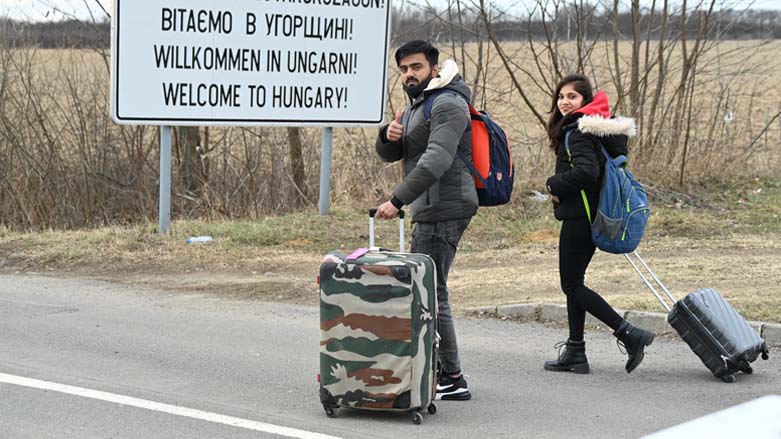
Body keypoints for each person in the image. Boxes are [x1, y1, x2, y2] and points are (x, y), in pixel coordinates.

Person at [374, 40, 477, 400]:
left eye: (416, 67)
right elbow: (400, 153)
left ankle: (452, 377)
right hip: (430, 206)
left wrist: (397, 199)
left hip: (444, 206)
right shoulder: (419, 104)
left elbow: (436, 160)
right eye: (403, 69)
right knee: (431, 291)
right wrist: (389, 135)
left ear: (434, 68)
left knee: (433, 294)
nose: (409, 74)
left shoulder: (448, 102)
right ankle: (443, 371)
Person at [543, 74, 655, 374]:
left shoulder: (578, 131)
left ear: (585, 101)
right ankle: (575, 352)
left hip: (580, 218)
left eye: (573, 97)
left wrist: (553, 184)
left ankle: (628, 333)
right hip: (592, 215)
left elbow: (586, 173)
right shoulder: (593, 129)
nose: (565, 101)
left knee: (572, 284)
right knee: (574, 283)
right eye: (561, 96)